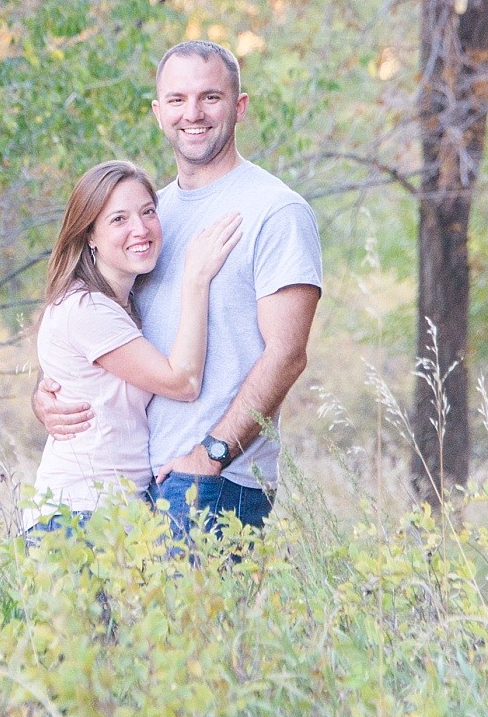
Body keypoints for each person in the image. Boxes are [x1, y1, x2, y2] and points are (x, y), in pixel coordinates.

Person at [32, 40, 322, 550]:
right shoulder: (148, 216)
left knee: (196, 632)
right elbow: (97, 322)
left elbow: (287, 354)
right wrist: (48, 390)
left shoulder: (276, 210)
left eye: (210, 97)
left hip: (215, 480)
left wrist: (212, 454)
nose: (193, 113)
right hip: (138, 486)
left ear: (240, 106)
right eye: (177, 99)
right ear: (158, 112)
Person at [25, 160, 243, 542]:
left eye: (147, 212)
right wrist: (196, 278)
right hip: (78, 516)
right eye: (118, 219)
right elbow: (183, 381)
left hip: (114, 514)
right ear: (88, 234)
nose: (140, 229)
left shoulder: (120, 303)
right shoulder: (86, 308)